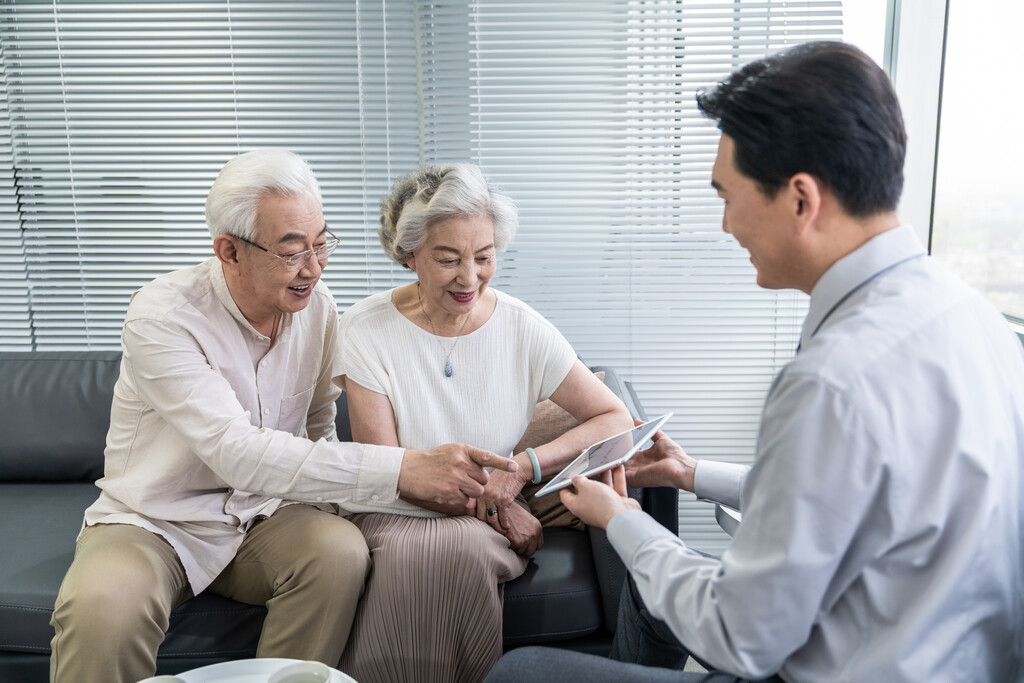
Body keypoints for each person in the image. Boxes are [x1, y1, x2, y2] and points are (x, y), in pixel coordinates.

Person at [485, 41, 1024, 683]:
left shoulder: (834, 378)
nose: (725, 225)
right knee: (657, 597)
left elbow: (742, 636)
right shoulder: (974, 317)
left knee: (522, 674)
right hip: (936, 644)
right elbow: (855, 495)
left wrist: (623, 521)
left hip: (828, 663)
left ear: (801, 199)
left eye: (727, 195)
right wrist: (690, 474)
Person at [48, 149, 517, 683]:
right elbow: (237, 452)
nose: (313, 269)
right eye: (294, 251)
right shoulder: (163, 317)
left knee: (338, 551)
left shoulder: (318, 310)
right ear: (230, 251)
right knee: (101, 608)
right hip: (157, 520)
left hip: (263, 515)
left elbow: (318, 426)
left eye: (322, 245)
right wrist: (402, 469)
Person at [333, 163, 634, 683]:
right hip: (395, 509)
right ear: (410, 255)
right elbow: (386, 469)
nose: (469, 277)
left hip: (485, 513)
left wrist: (522, 468)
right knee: (439, 552)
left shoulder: (522, 326)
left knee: (463, 547)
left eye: (485, 257)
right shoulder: (364, 329)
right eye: (448, 259)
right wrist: (499, 510)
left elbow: (614, 418)